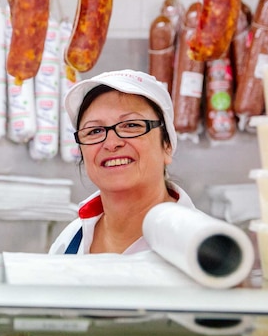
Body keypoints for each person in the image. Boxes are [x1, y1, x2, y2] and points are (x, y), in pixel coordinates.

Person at [49, 69, 197, 255]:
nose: (111, 144)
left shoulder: (205, 245)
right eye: (94, 131)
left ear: (167, 145)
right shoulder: (70, 240)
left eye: (131, 125)